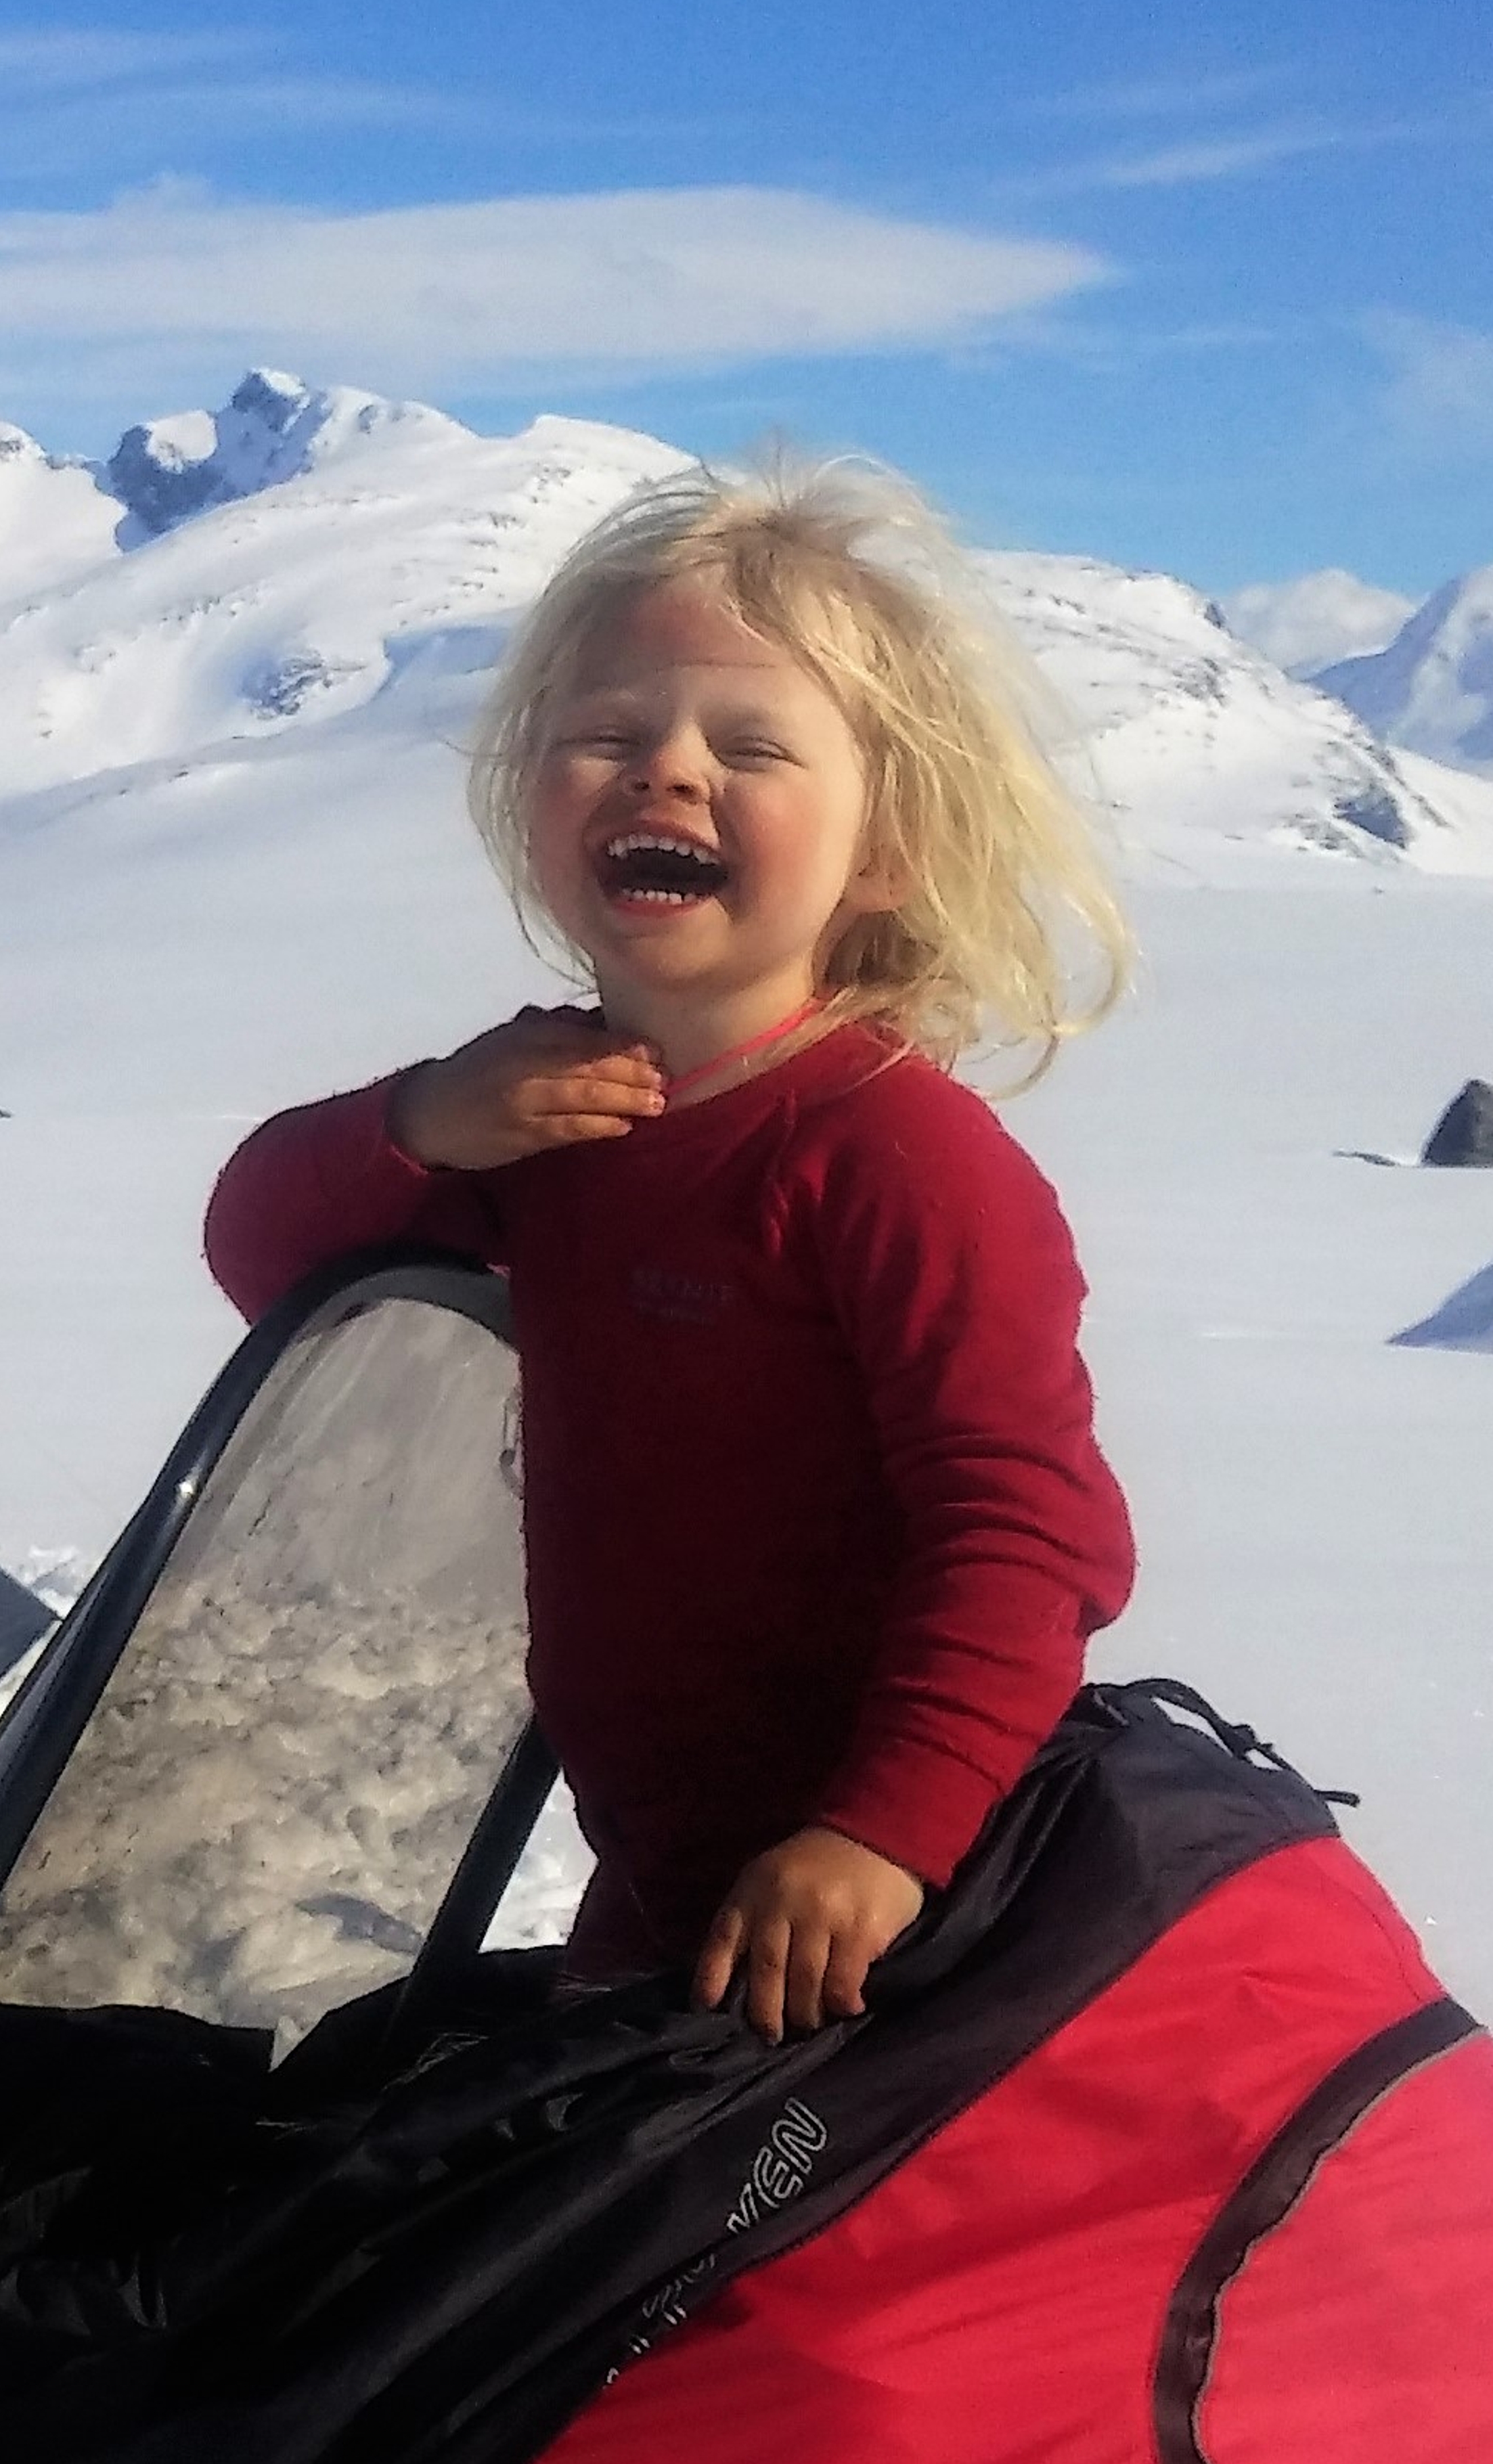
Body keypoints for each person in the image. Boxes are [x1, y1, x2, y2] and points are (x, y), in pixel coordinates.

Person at [204, 455, 1136, 2040]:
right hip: (660, 1876)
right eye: (607, 741)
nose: (667, 776)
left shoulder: (895, 1155)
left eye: (751, 746)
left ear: (885, 850)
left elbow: (1030, 1535)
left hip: (879, 1917)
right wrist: (423, 1120)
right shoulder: (557, 1115)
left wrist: (880, 1837)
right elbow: (267, 1256)